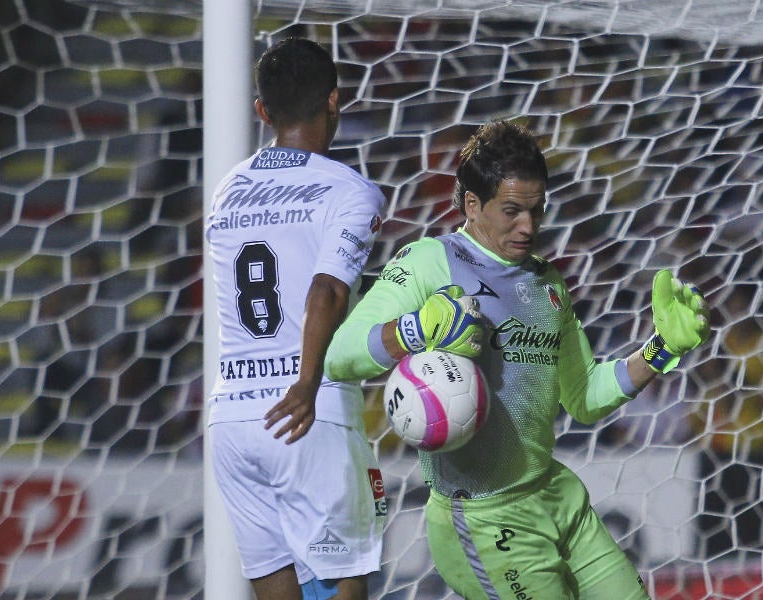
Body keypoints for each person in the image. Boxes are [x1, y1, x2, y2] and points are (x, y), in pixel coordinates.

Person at [325, 120, 710, 599]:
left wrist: (661, 350)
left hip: (556, 497)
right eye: (511, 211)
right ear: (472, 204)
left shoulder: (547, 283)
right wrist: (416, 329)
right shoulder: (431, 261)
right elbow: (339, 355)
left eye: (536, 210)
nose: (528, 226)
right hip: (486, 520)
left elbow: (585, 396)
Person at [205, 38, 387, 600]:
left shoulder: (225, 190)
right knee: (341, 587)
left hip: (233, 420)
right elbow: (327, 290)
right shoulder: (350, 191)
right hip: (307, 413)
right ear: (334, 100)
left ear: (262, 111)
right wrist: (306, 384)